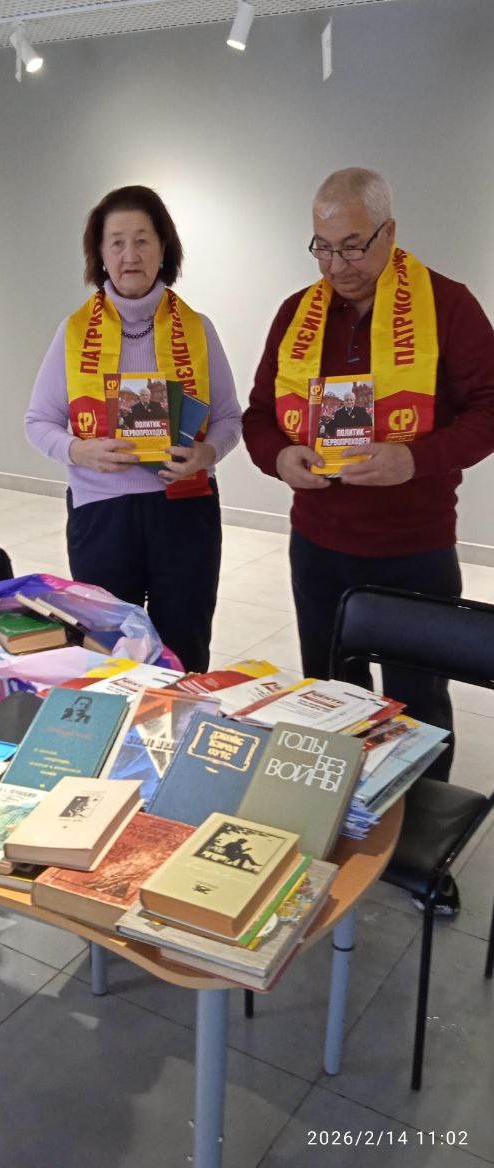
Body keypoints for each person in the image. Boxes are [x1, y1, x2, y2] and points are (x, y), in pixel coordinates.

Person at [243, 167, 494, 914]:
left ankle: (420, 847)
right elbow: (259, 416)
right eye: (321, 247)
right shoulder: (298, 314)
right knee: (328, 691)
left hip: (414, 545)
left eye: (352, 245)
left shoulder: (447, 305)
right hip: (319, 543)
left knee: (418, 702)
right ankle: (339, 826)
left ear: (389, 231)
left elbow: (490, 409)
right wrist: (280, 458)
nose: (336, 265)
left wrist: (417, 458)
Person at [25, 184, 242, 672]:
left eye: (142, 240)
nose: (130, 255)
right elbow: (38, 422)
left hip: (184, 512)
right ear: (100, 254)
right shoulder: (74, 331)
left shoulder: (198, 328)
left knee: (184, 652)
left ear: (164, 248)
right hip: (102, 516)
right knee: (108, 656)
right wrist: (80, 451)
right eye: (117, 242)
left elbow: (230, 418)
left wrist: (207, 454)